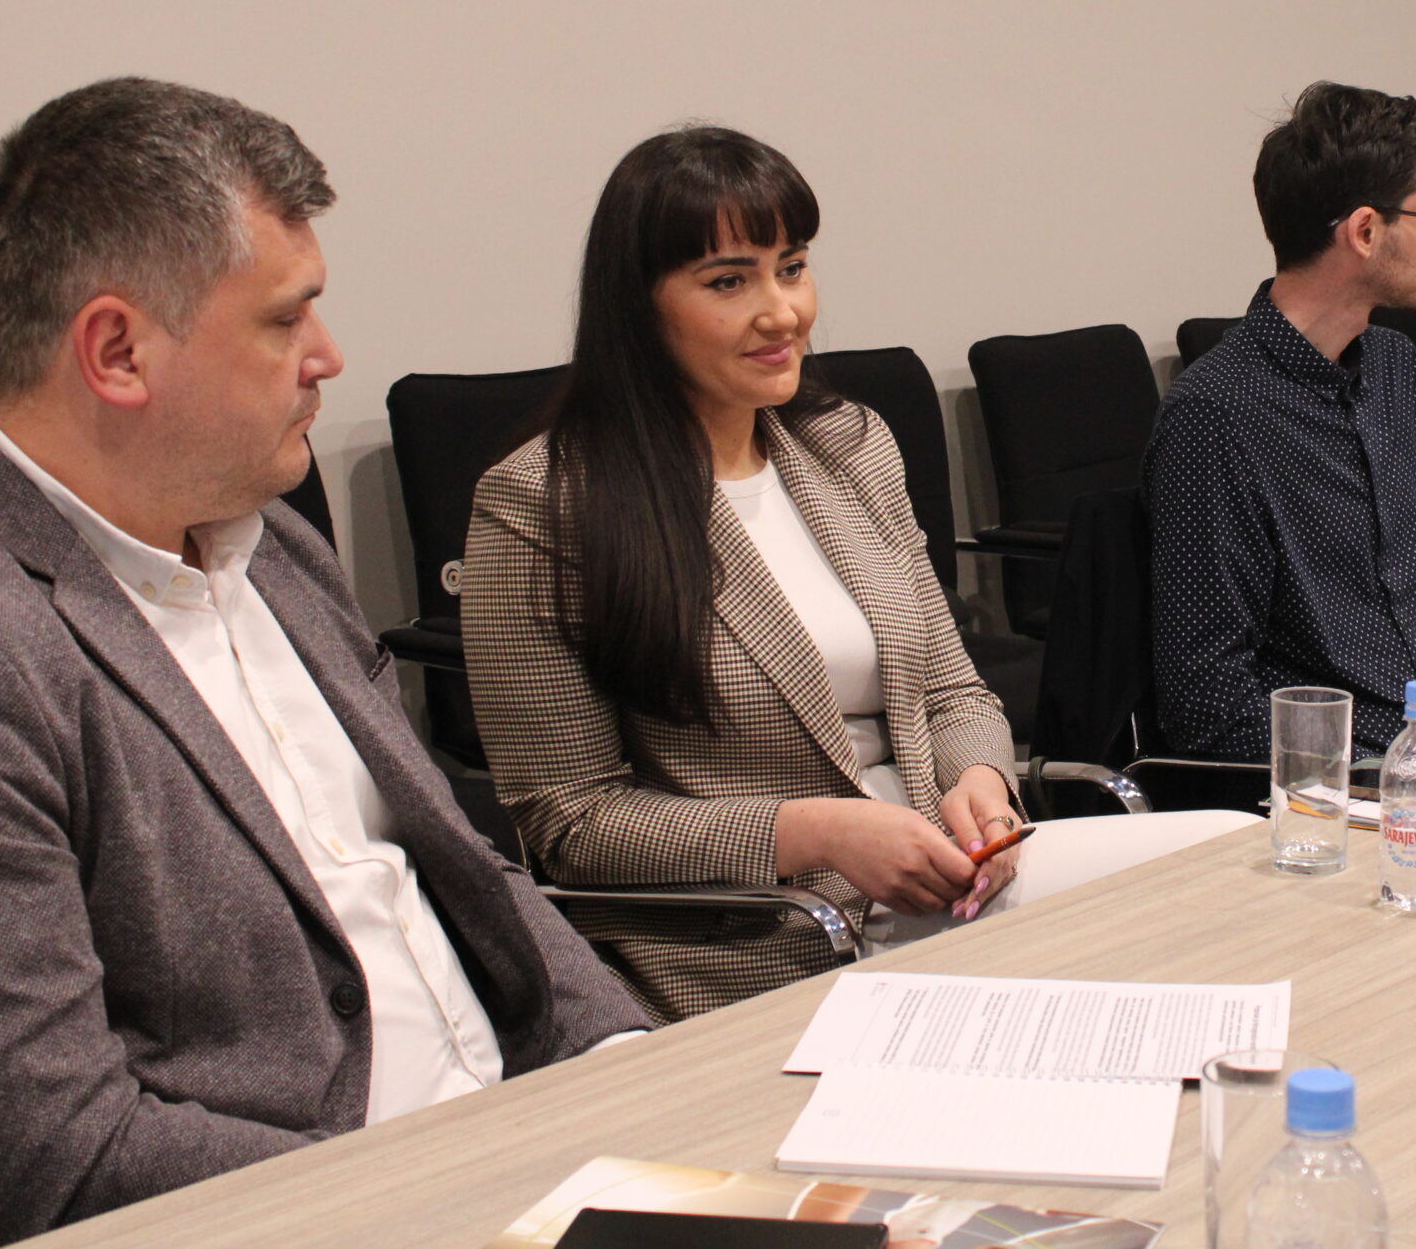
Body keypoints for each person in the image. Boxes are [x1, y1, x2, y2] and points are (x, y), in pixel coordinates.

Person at [0, 79, 649, 1249]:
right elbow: (41, 1160)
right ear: (118, 351)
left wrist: (623, 1063)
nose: (328, 357)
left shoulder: (268, 540)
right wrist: (460, 1186)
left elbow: (457, 869)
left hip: (529, 1160)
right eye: (286, 320)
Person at [461, 127, 1249, 1022]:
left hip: (953, 889)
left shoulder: (848, 444)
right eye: (729, 282)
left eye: (792, 268)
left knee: (1239, 855)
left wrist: (983, 786)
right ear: (639, 308)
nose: (782, 312)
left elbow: (951, 688)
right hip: (771, 932)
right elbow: (571, 821)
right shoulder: (544, 504)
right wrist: (812, 832)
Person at [1144, 81, 1416, 760]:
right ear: (1364, 231)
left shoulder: (1395, 366)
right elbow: (1209, 702)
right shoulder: (1215, 416)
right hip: (1348, 787)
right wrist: (1377, 776)